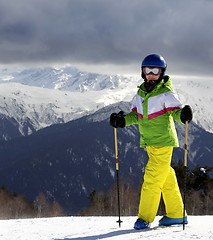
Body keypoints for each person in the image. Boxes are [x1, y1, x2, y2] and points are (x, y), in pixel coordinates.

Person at [110, 53, 193, 230]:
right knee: (166, 177)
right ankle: (177, 214)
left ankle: (145, 218)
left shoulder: (166, 93)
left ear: (162, 72)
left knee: (152, 178)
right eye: (147, 70)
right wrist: (122, 120)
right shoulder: (140, 94)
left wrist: (183, 115)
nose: (151, 74)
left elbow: (175, 112)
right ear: (142, 72)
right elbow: (136, 115)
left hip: (163, 142)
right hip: (150, 143)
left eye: (155, 70)